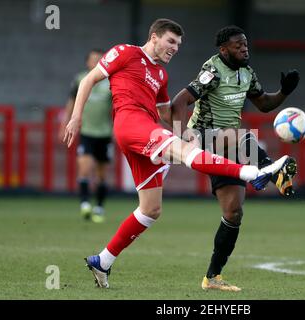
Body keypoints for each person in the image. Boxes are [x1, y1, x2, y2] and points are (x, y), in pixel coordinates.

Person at [63, 18, 291, 289]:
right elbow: (90, 78)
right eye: (171, 42)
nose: (175, 48)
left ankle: (103, 261)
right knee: (187, 151)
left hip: (145, 129)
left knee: (150, 210)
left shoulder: (161, 75)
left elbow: (164, 113)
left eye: (179, 45)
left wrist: (187, 133)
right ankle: (259, 171)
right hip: (131, 124)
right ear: (154, 37)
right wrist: (76, 116)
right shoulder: (126, 52)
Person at [170, 25, 300, 291]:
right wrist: (180, 135)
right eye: (238, 45)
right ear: (223, 50)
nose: (244, 48)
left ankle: (212, 278)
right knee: (238, 134)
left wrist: (285, 91)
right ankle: (271, 171)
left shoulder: (247, 73)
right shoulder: (213, 71)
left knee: (234, 212)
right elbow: (179, 101)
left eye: (246, 45)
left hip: (229, 147)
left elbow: (263, 104)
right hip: (203, 136)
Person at [59, 49, 113, 223]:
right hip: (86, 132)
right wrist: (64, 124)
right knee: (84, 167)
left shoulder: (111, 81)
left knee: (102, 175)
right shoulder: (80, 79)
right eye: (93, 60)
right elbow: (71, 103)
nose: (96, 62)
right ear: (87, 63)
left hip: (105, 133)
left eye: (100, 59)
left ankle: (99, 208)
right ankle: (84, 205)